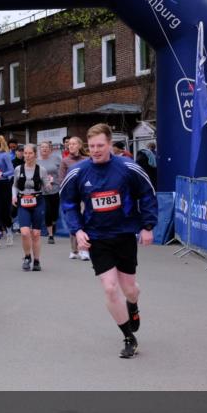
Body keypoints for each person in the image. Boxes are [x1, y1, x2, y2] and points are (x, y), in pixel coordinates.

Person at [59, 124, 158, 359]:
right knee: (110, 288)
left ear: (110, 144)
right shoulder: (79, 172)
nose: (95, 150)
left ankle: (132, 305)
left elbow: (147, 194)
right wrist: (78, 230)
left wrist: (147, 226)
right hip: (97, 237)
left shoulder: (128, 168)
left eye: (100, 146)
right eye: (91, 146)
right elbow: (69, 203)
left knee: (129, 290)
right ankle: (128, 337)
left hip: (123, 234)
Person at [12, 144, 45, 272]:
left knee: (36, 234)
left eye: (30, 153)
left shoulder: (41, 169)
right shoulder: (18, 169)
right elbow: (14, 185)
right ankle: (27, 257)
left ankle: (37, 260)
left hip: (38, 202)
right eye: (25, 153)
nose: (27, 156)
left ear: (35, 154)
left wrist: (48, 185)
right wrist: (14, 196)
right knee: (25, 232)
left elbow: (46, 186)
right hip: (23, 202)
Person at [59, 136, 91, 261]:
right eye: (69, 144)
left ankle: (84, 249)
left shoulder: (87, 160)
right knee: (74, 221)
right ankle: (74, 249)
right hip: (71, 196)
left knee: (84, 220)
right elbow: (61, 180)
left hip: (85, 195)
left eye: (73, 144)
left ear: (79, 145)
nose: (70, 146)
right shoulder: (65, 161)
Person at [37, 141, 63, 244]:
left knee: (55, 214)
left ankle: (53, 222)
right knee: (47, 211)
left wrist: (61, 182)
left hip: (55, 189)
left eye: (46, 147)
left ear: (50, 149)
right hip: (43, 191)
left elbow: (61, 172)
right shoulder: (37, 162)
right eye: (42, 147)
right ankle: (50, 235)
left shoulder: (56, 159)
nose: (44, 149)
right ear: (40, 149)